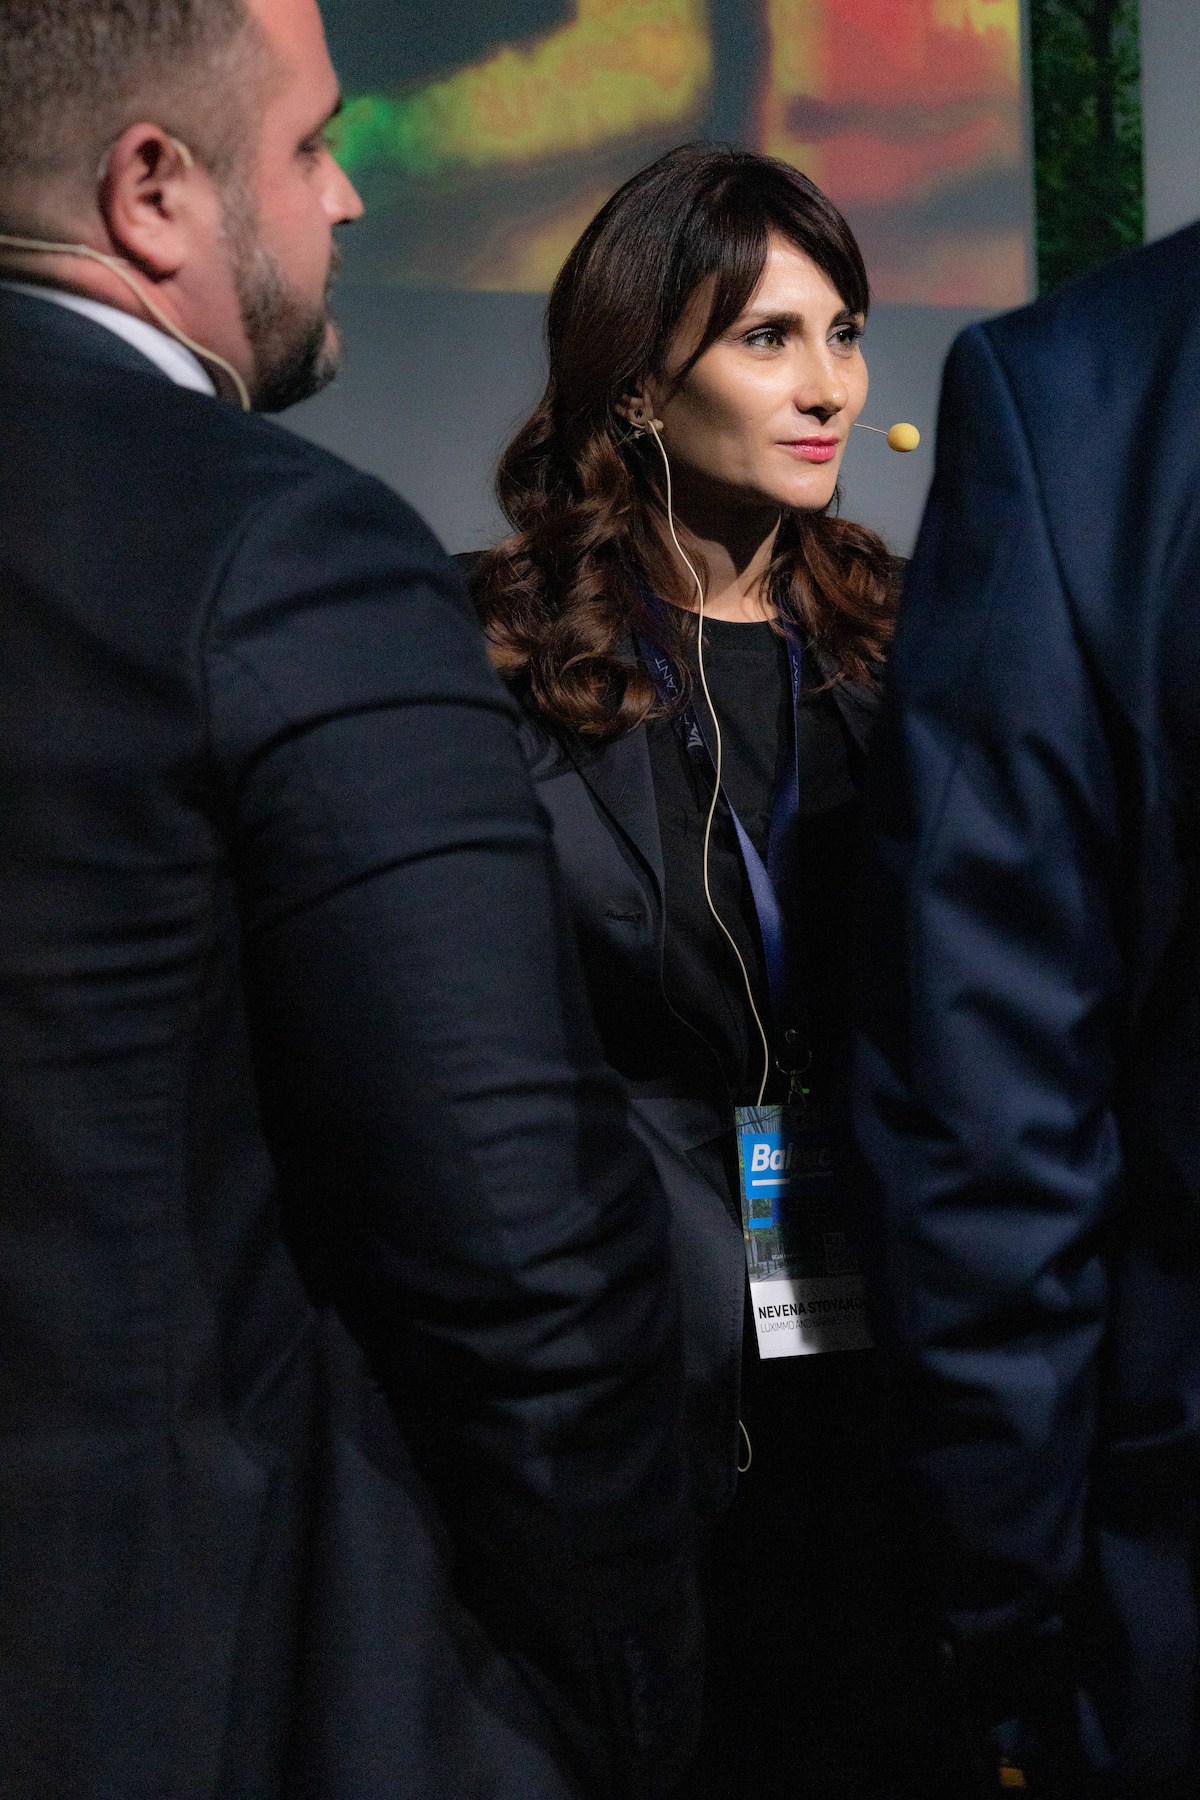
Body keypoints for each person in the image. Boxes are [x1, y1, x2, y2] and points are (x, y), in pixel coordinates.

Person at [0, 3, 702, 1796]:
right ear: (152, 190)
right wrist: (620, 1697)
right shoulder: (276, 548)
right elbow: (520, 1247)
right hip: (208, 1670)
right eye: (312, 145)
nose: (350, 199)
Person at [469, 144, 959, 1799]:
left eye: (845, 333)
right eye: (768, 339)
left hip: (894, 1354)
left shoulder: (915, 644)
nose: (829, 388)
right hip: (634, 1376)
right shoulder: (495, 658)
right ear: (637, 379)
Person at [853, 223, 1200, 1797]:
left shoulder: (1098, 391)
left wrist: (1006, 1625)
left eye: (836, 334)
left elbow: (987, 1111)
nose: (828, 387)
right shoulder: (1083, 399)